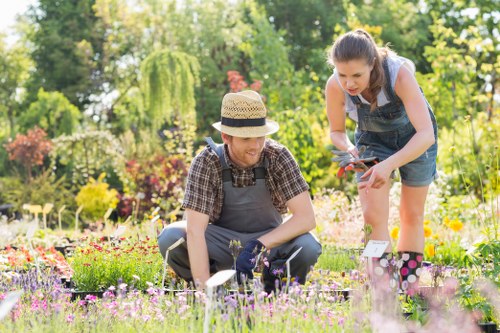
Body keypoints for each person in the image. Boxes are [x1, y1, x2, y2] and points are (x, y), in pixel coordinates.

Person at [158, 90, 322, 293]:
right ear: (226, 136)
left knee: (308, 246)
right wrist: (205, 292)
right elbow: (195, 230)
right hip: (222, 244)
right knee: (170, 238)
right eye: (246, 139)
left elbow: (306, 218)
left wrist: (257, 246)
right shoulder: (207, 162)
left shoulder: (278, 156)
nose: (255, 146)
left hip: (269, 242)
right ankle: (216, 289)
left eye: (260, 137)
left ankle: (276, 289)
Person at [325, 29, 438, 295]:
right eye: (342, 75)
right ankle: (383, 288)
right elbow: (336, 132)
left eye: (356, 76)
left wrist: (388, 165)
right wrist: (352, 150)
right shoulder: (334, 85)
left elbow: (426, 135)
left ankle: (408, 288)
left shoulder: (398, 74)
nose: (349, 83)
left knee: (412, 214)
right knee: (373, 217)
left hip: (415, 139)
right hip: (371, 141)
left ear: (372, 65)